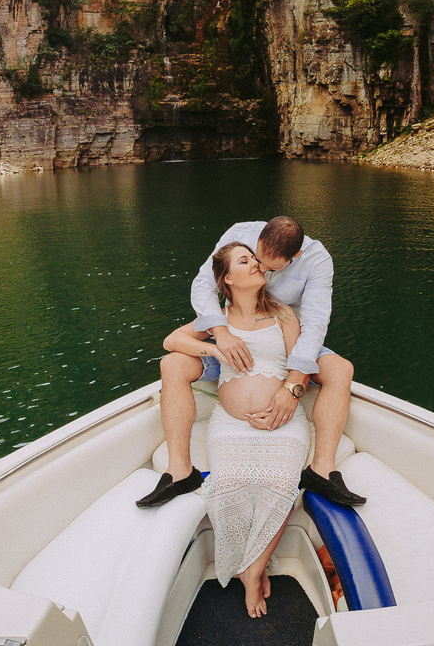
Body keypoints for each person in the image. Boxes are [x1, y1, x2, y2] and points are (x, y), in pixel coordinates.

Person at [136, 216, 365, 509]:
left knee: (340, 368)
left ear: (295, 257)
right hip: (232, 344)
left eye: (272, 268)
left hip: (284, 343)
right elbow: (204, 284)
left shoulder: (317, 263)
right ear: (257, 241)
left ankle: (321, 470)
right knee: (172, 364)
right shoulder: (239, 235)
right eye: (255, 260)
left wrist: (293, 386)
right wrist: (220, 337)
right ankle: (179, 471)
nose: (262, 271)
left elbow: (316, 325)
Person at [161, 241, 308, 617]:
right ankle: (251, 567)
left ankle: (253, 571)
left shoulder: (284, 315)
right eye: (246, 261)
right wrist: (213, 347)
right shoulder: (216, 319)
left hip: (282, 421)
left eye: (256, 260)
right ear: (227, 278)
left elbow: (302, 366)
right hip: (230, 425)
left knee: (281, 483)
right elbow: (171, 342)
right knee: (228, 484)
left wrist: (289, 396)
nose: (257, 264)